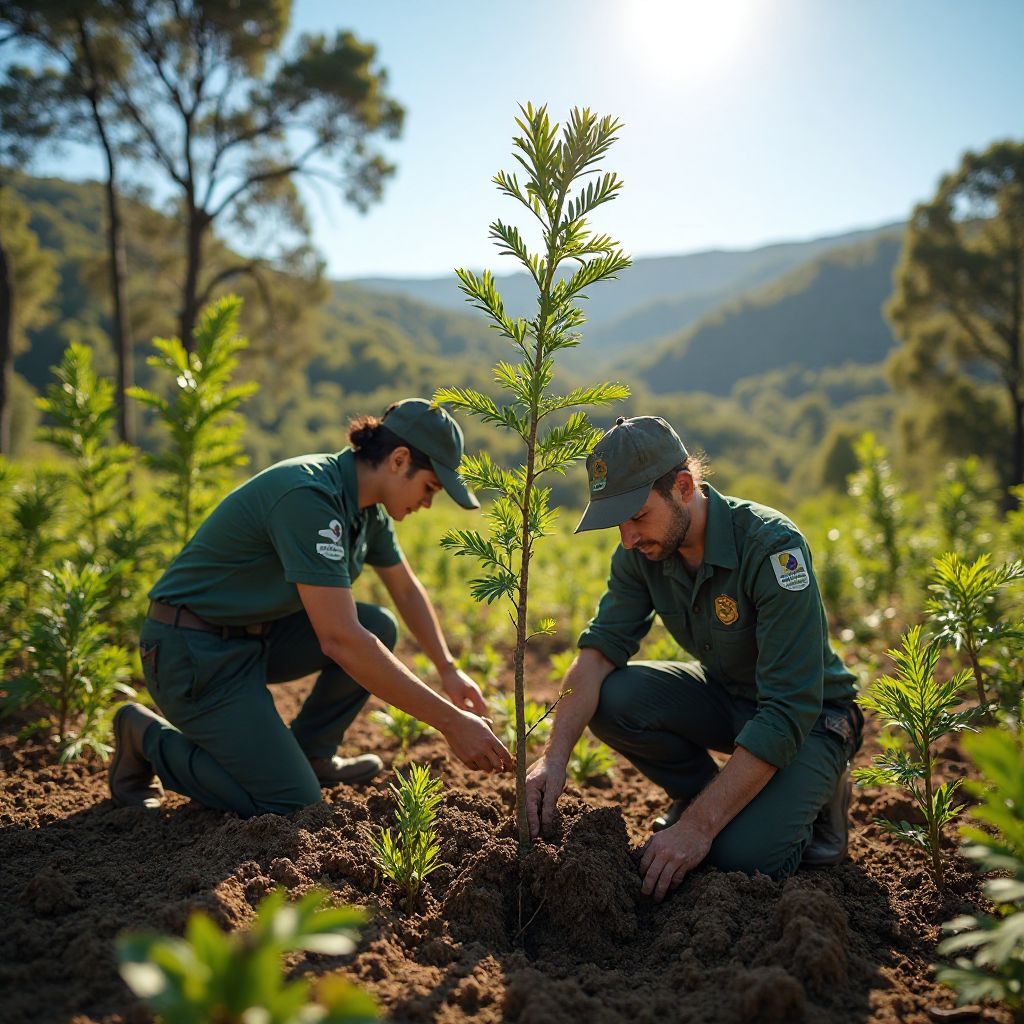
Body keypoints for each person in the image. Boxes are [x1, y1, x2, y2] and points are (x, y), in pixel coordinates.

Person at [109, 398, 513, 816]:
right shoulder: (310, 496)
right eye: (430, 487)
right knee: (291, 802)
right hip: (191, 652)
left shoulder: (367, 512)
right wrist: (450, 721)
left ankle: (310, 755)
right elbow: (340, 639)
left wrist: (448, 668)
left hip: (252, 640)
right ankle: (145, 738)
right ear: (398, 460)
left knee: (378, 624)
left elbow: (407, 591)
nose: (428, 502)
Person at [525, 415, 862, 901]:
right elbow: (598, 654)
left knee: (738, 860)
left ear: (683, 487)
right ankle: (703, 795)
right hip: (730, 698)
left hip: (810, 719)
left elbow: (789, 707)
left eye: (637, 516)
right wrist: (553, 759)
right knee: (614, 697)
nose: (627, 538)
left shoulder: (771, 547)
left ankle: (819, 791)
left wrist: (701, 828)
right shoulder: (642, 553)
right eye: (617, 523)